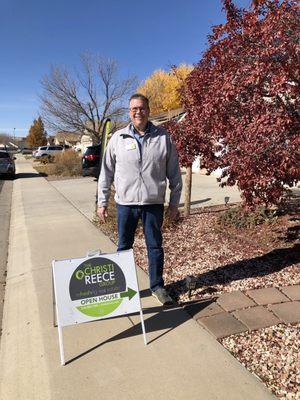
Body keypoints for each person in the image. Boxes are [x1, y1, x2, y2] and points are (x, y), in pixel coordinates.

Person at [97, 93, 182, 306]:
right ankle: (120, 288)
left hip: (152, 204)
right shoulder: (118, 138)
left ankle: (157, 286)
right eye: (134, 108)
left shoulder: (164, 138)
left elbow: (174, 173)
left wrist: (174, 203)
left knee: (155, 247)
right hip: (126, 204)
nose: (138, 112)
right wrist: (102, 201)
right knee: (124, 246)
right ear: (129, 112)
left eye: (142, 108)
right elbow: (106, 172)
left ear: (148, 110)